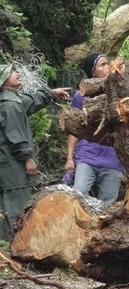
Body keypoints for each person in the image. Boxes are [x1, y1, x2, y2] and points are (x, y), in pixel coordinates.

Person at [0, 63, 70, 241]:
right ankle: (13, 248)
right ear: (3, 82)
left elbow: (29, 100)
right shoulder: (9, 105)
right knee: (15, 210)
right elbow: (15, 137)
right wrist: (28, 159)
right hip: (13, 168)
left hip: (9, 167)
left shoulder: (11, 99)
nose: (16, 73)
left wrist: (50, 93)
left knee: (7, 209)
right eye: (11, 73)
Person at [65, 53, 125, 204]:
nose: (107, 67)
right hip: (87, 157)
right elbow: (74, 130)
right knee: (79, 196)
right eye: (102, 65)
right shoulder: (81, 96)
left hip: (113, 160)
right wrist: (70, 159)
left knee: (107, 205)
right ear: (93, 72)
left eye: (108, 63)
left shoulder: (121, 93)